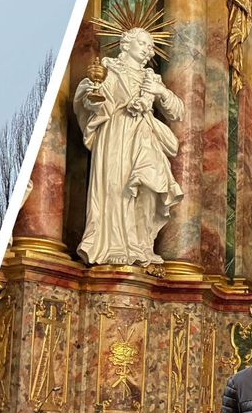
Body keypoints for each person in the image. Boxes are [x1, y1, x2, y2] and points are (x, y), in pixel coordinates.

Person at [73, 26, 184, 266]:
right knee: (116, 185)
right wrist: (94, 95)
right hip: (116, 135)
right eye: (143, 43)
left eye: (150, 45)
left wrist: (161, 92)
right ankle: (114, 244)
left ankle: (141, 244)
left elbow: (178, 112)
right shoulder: (109, 70)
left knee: (148, 187)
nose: (148, 49)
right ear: (126, 43)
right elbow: (91, 100)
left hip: (144, 136)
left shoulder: (152, 79)